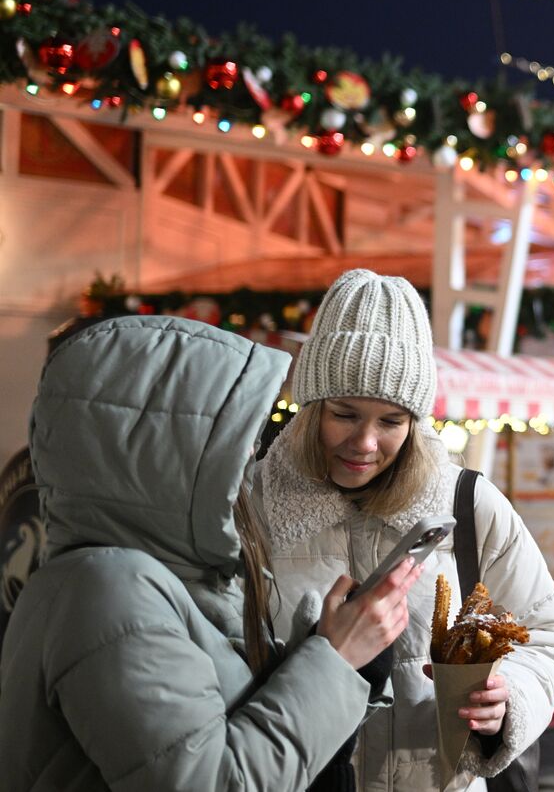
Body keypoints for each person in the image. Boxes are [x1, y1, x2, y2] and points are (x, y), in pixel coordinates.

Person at [1, 316, 420, 791]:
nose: (248, 456)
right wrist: (334, 660)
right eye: (228, 438)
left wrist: (312, 657)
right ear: (162, 450)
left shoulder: (159, 577)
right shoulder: (108, 590)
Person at [254, 269, 554, 792]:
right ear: (312, 408)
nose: (365, 442)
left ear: (416, 423)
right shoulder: (253, 506)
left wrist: (507, 697)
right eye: (344, 413)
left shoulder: (466, 504)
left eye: (391, 421)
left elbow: (544, 636)